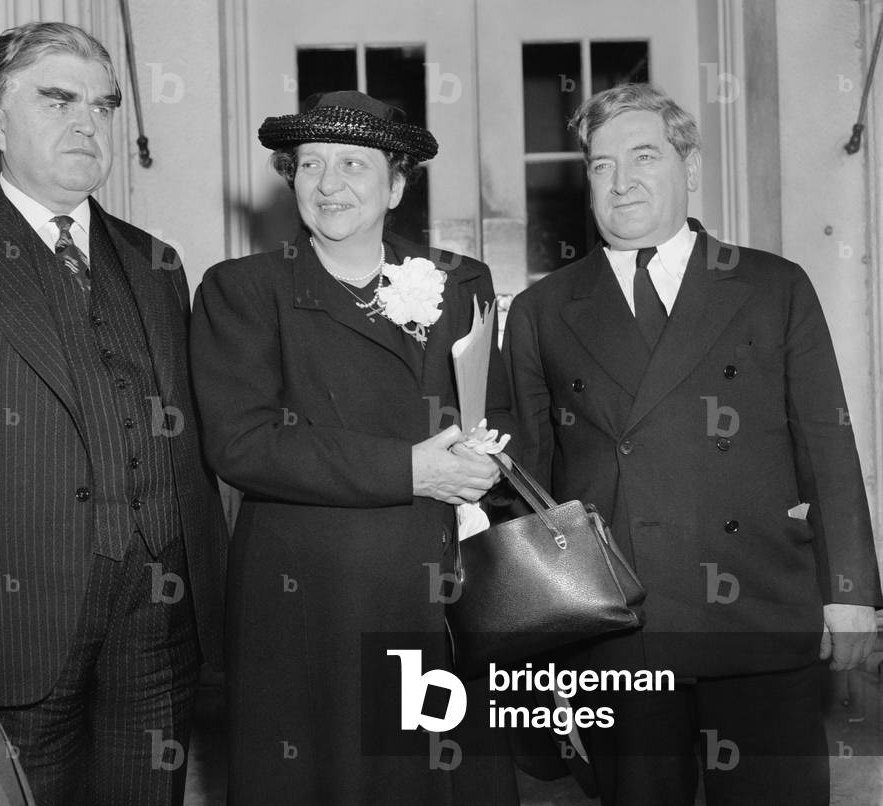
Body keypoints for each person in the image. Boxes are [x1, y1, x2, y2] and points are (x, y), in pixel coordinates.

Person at [0, 22, 228, 806]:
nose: (85, 121)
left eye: (102, 104)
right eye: (56, 99)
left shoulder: (158, 262)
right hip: (3, 624)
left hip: (159, 622)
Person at [503, 82, 882, 806]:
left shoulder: (771, 285)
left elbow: (826, 444)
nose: (621, 181)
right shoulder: (543, 308)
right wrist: (540, 649)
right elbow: (528, 490)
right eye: (601, 164)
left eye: (642, 156)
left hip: (759, 605)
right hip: (617, 626)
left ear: (688, 168)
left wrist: (850, 594)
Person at [191, 90, 519, 804]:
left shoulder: (460, 281)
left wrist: (484, 456)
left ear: (396, 184)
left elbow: (495, 409)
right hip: (310, 598)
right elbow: (243, 444)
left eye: (353, 164)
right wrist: (414, 469)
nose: (328, 184)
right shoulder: (243, 290)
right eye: (309, 164)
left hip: (444, 593)